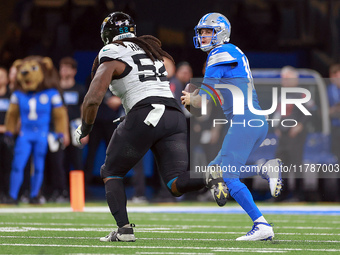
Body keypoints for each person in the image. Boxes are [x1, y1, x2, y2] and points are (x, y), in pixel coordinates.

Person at [74, 12, 227, 242]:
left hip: (147, 113)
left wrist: (84, 128)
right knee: (175, 184)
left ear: (108, 36)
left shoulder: (112, 51)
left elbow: (94, 98)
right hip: (174, 115)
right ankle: (208, 175)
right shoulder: (151, 51)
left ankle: (124, 229)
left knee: (111, 172)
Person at [181, 13, 283, 241]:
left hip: (244, 121)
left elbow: (203, 103)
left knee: (228, 174)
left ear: (221, 32)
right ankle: (265, 167)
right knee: (213, 169)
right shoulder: (231, 52)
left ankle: (261, 224)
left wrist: (189, 99)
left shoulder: (219, 54)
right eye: (201, 32)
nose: (203, 36)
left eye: (208, 31)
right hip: (255, 122)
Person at [327, 63, 340, 201]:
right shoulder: (329, 90)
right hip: (335, 130)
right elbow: (327, 112)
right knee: (337, 162)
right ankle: (336, 195)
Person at [0, 67, 12, 202]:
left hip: (8, 136)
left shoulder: (11, 96)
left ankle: (7, 194)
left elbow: (18, 117)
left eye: (1, 76)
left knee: (7, 166)